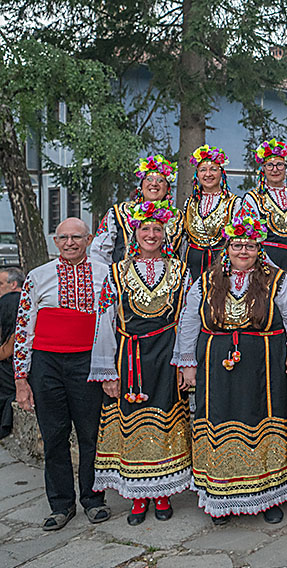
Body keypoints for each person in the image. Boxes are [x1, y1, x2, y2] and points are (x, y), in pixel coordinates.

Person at [173, 215, 287, 524]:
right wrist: (187, 363)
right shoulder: (207, 280)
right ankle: (221, 498)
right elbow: (190, 320)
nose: (243, 251)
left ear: (259, 249)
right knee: (219, 422)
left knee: (265, 421)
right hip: (218, 366)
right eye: (237, 245)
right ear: (227, 248)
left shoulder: (278, 279)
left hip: (266, 364)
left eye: (250, 245)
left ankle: (268, 495)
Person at [89, 198, 192, 525]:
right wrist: (107, 370)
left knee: (165, 419)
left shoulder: (181, 271)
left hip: (166, 354)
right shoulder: (116, 272)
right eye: (145, 229)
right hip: (128, 356)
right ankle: (137, 496)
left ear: (165, 234)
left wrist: (185, 361)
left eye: (157, 229)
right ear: (134, 233)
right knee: (131, 421)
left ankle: (162, 494)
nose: (151, 234)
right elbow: (105, 319)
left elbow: (187, 318)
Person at [14, 218, 111, 531]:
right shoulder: (38, 276)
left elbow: (111, 323)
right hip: (47, 365)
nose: (70, 243)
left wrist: (110, 368)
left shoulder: (105, 274)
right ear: (55, 241)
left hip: (87, 362)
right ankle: (61, 504)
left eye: (77, 237)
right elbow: (24, 327)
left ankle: (93, 499)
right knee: (54, 435)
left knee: (90, 433)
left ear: (89, 240)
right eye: (64, 237)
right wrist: (21, 378)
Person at [242, 140, 287, 285]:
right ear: (263, 169)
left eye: (280, 164)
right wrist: (274, 271)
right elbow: (251, 238)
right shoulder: (252, 199)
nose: (275, 169)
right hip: (266, 267)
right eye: (270, 165)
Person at [92, 155, 184, 268]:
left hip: (168, 277)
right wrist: (109, 276)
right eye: (149, 179)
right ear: (141, 185)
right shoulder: (119, 212)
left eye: (160, 180)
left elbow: (183, 252)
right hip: (125, 276)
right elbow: (99, 253)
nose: (154, 184)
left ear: (167, 188)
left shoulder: (177, 217)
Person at [183, 145, 244, 280]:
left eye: (213, 169)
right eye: (203, 170)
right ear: (197, 174)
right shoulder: (190, 202)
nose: (208, 174)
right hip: (192, 263)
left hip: (220, 263)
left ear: (222, 173)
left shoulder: (234, 203)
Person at [0, 267, 24, 439]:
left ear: (13, 284)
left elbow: (11, 346)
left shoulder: (12, 301)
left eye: (1, 284)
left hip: (14, 368)